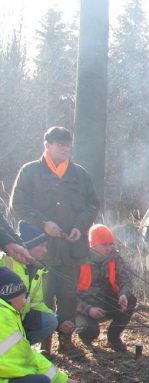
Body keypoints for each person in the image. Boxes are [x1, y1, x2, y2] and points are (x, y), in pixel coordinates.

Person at [10, 126, 100, 356]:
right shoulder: (30, 172)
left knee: (69, 296)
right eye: (60, 144)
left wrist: (80, 227)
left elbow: (92, 205)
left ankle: (66, 341)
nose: (65, 149)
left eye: (68, 144)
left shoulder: (80, 174)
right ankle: (44, 343)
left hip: (71, 248)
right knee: (43, 297)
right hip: (41, 248)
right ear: (47, 145)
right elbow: (17, 206)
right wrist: (43, 224)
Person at [0, 267, 86, 383]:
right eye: (22, 296)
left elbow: (27, 355)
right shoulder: (3, 316)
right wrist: (43, 379)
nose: (25, 301)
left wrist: (61, 381)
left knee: (38, 381)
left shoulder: (8, 313)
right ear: (9, 295)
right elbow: (17, 363)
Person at [74, 224, 137, 352]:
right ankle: (85, 335)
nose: (108, 248)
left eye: (110, 244)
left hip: (106, 304)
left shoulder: (114, 257)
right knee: (90, 332)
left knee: (131, 299)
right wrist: (88, 309)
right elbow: (68, 295)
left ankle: (113, 338)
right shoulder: (79, 260)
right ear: (93, 245)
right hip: (82, 308)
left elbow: (126, 280)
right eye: (104, 245)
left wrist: (123, 295)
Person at [1, 222, 60, 345]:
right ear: (29, 245)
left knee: (50, 321)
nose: (45, 250)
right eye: (42, 246)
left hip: (19, 318)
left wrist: (59, 320)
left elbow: (36, 303)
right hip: (4, 320)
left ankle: (19, 349)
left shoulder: (38, 270)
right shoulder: (5, 261)